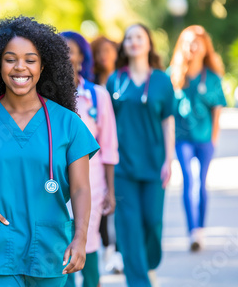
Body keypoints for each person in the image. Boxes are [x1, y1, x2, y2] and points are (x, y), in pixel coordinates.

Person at [0, 16, 100, 287]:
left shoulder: (68, 124)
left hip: (49, 249)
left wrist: (80, 237)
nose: (20, 67)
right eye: (10, 59)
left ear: (44, 66)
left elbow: (80, 189)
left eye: (30, 59)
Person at [106, 24, 175, 287]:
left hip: (154, 164)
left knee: (152, 222)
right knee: (129, 225)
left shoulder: (161, 80)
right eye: (129, 38)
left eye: (139, 37)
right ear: (124, 46)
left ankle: (147, 265)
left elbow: (168, 122)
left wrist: (169, 160)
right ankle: (139, 280)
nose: (133, 42)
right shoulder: (115, 81)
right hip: (123, 167)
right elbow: (107, 123)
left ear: (148, 44)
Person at [60, 31, 119, 287]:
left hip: (91, 186)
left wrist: (110, 190)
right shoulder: (44, 98)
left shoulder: (98, 96)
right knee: (61, 245)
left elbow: (109, 148)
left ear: (82, 57)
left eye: (70, 50)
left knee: (88, 242)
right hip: (55, 188)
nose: (65, 56)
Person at [169, 25, 227, 252]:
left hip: (204, 139)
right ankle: (192, 231)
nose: (193, 47)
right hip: (182, 139)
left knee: (201, 183)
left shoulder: (212, 78)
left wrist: (213, 140)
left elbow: (217, 112)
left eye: (197, 43)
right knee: (188, 180)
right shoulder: (172, 75)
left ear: (205, 48)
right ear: (182, 46)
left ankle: (200, 230)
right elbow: (166, 112)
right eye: (188, 42)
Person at [90, 35, 123, 273]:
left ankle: (115, 249)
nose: (104, 56)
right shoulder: (90, 85)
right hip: (98, 156)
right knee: (97, 210)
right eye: (99, 51)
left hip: (116, 150)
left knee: (114, 203)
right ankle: (106, 248)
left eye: (108, 51)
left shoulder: (121, 80)